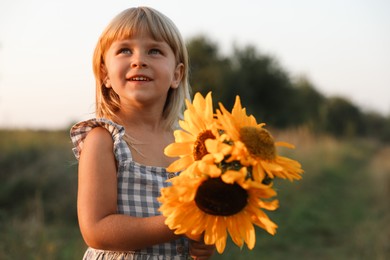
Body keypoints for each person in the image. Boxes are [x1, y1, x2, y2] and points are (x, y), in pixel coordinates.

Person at [70, 6, 215, 260]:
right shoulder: (104, 140)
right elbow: (97, 229)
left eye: (155, 51)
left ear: (177, 74)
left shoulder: (190, 143)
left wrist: (202, 242)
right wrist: (180, 221)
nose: (139, 60)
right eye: (125, 50)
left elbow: (198, 221)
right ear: (104, 74)